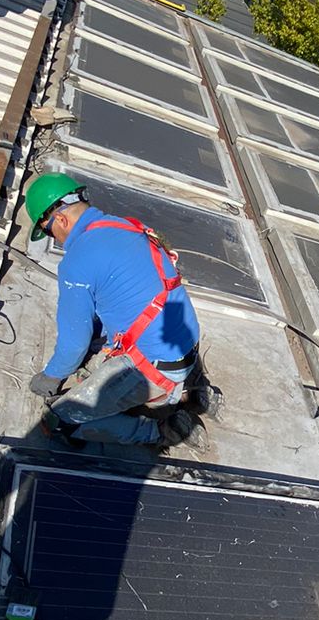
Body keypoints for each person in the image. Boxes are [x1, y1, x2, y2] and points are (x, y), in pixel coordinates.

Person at [24, 173, 208, 450]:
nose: (56, 239)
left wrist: (50, 377)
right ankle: (185, 388)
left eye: (49, 231)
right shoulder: (127, 226)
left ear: (60, 220)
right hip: (184, 343)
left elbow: (74, 343)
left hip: (155, 367)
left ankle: (161, 430)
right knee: (94, 359)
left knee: (58, 421)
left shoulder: (77, 262)